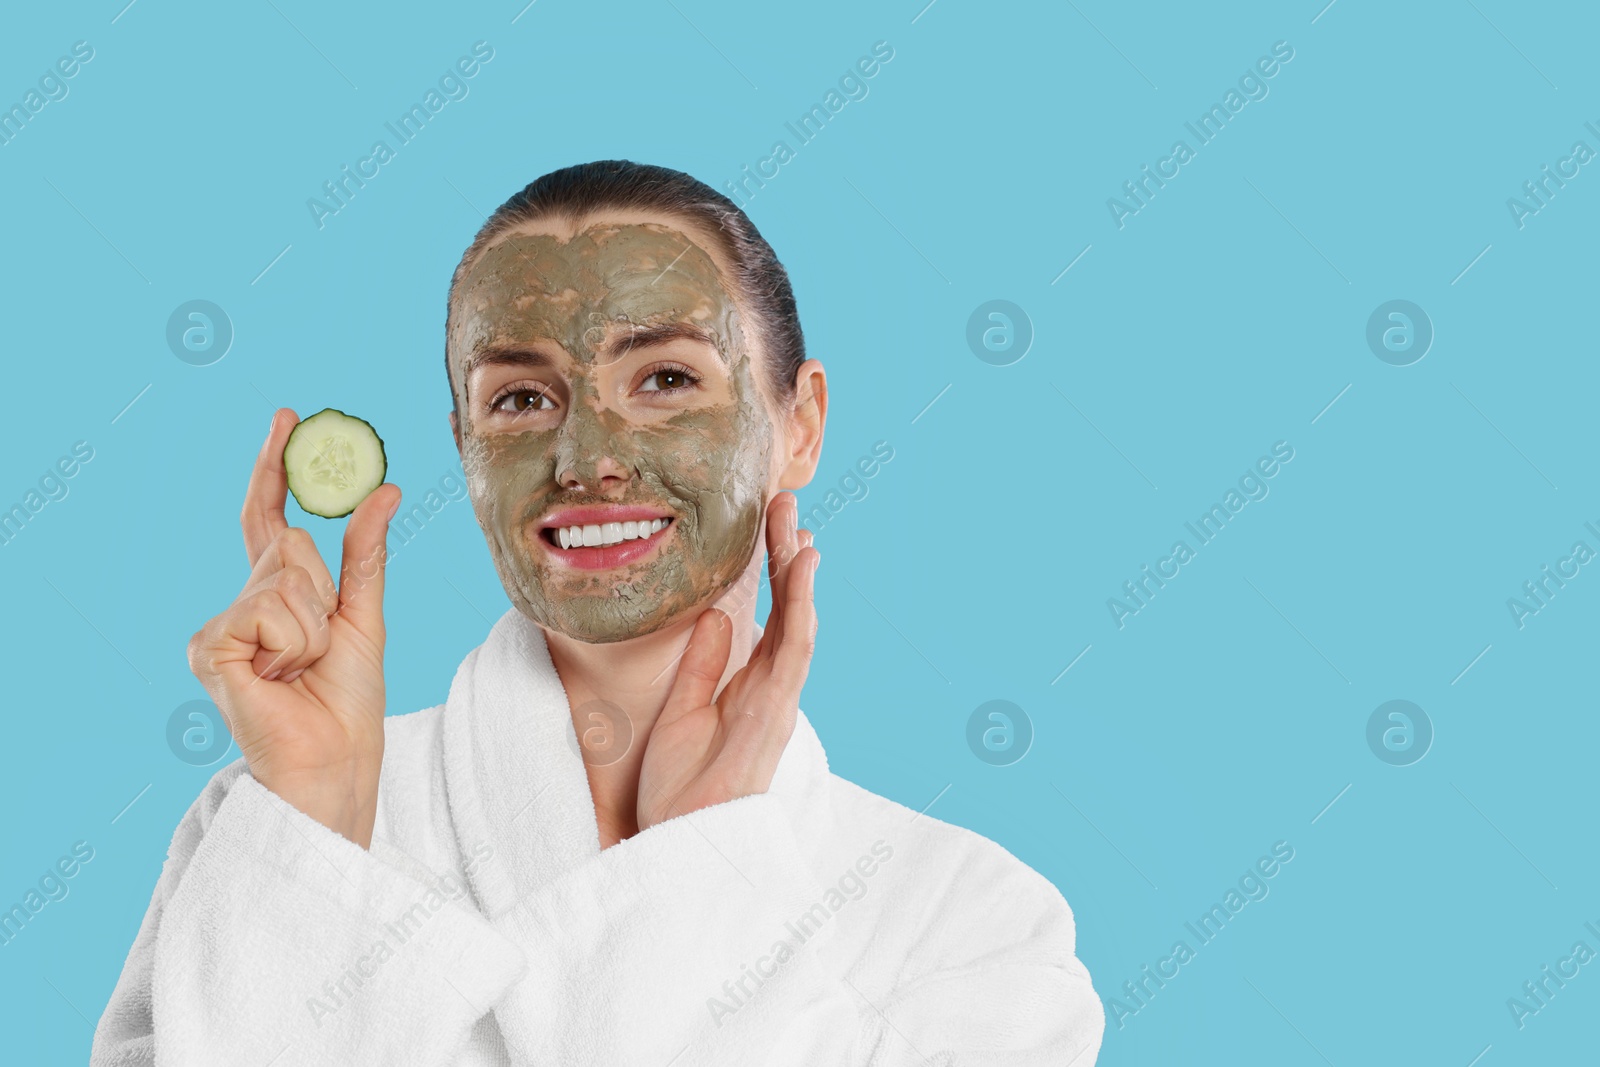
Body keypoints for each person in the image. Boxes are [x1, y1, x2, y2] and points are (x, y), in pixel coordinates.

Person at [91, 160, 1104, 1065]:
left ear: (799, 424)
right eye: (522, 399)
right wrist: (319, 810)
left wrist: (700, 867)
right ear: (463, 448)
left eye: (665, 378)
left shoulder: (970, 923)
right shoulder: (283, 833)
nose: (586, 458)